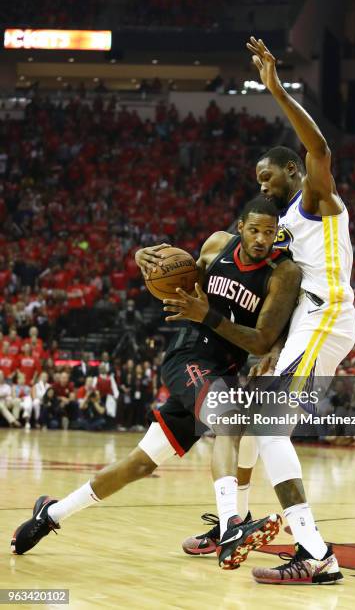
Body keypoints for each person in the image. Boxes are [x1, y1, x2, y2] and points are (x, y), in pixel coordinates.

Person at [11, 197, 300, 570]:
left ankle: (50, 514)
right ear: (240, 227)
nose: (262, 238)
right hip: (190, 358)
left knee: (140, 465)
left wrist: (211, 316)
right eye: (255, 230)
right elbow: (174, 276)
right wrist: (144, 259)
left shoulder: (279, 273)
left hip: (222, 372)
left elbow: (261, 341)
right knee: (231, 421)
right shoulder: (217, 245)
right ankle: (232, 527)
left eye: (269, 232)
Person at [178, 37, 355, 584]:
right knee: (254, 427)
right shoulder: (280, 228)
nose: (262, 186)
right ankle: (238, 521)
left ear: (292, 173)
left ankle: (315, 552)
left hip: (326, 315)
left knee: (267, 426)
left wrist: (277, 89)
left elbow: (320, 149)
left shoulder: (316, 201)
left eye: (267, 177)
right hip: (306, 324)